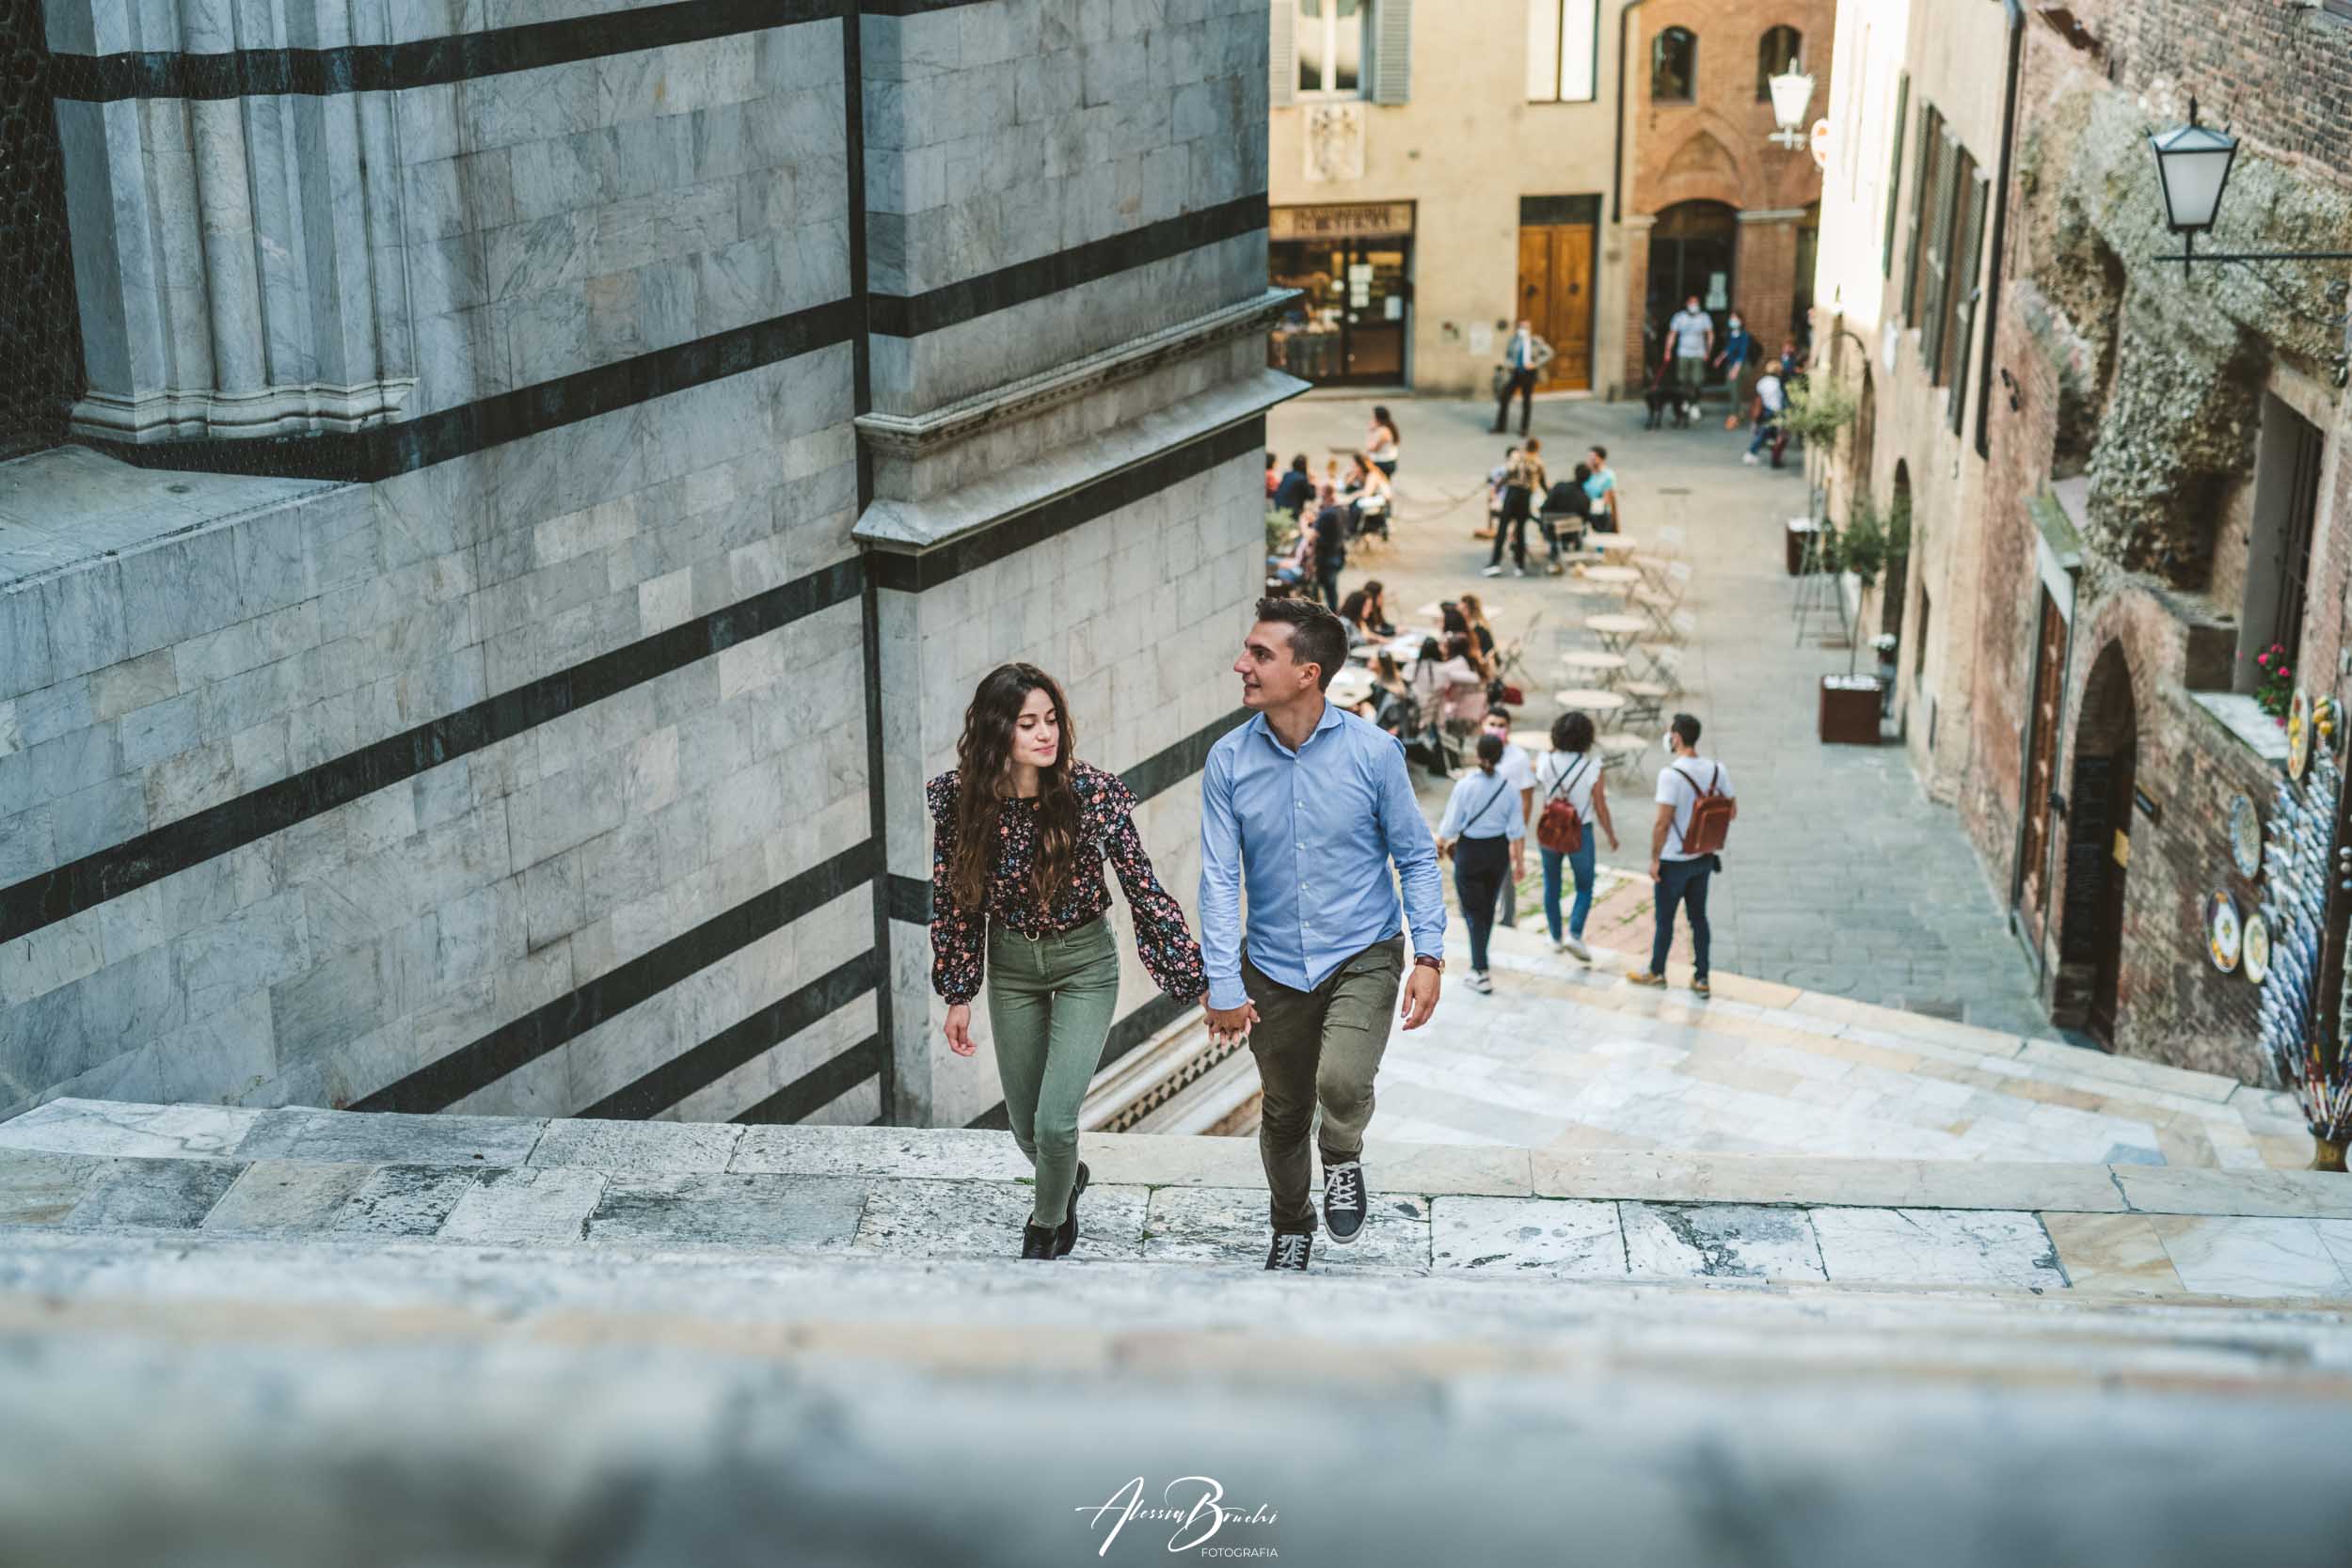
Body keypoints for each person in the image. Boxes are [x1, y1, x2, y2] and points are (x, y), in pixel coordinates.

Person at [1199, 599, 1446, 1272]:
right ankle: (1291, 1222)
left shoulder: (1374, 753)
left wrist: (1429, 954)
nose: (1240, 665)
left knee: (1339, 1084)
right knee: (1282, 1110)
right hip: (1272, 965)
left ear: (1308, 673)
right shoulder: (1226, 761)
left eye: (1259, 655)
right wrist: (1222, 981)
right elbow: (1220, 878)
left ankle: (1342, 1155)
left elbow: (1417, 857)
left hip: (1362, 952)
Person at [930, 665, 1208, 1259]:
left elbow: (1143, 887)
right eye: (1028, 723)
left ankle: (1045, 1229)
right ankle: (1066, 1179)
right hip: (1011, 968)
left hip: (1085, 964)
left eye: (1051, 719)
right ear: (996, 730)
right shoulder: (962, 801)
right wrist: (959, 993)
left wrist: (1198, 978)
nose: (1045, 734)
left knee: (1056, 1124)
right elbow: (955, 898)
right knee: (1026, 1129)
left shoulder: (1092, 794)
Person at [1630, 712, 1738, 997]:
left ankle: (1657, 970)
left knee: (1665, 920)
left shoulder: (1671, 775)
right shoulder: (1717, 770)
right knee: (1698, 919)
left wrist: (1654, 859)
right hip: (1702, 857)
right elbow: (1732, 811)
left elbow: (1662, 823)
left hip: (1674, 860)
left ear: (1675, 737)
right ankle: (1702, 977)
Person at [1437, 732, 1525, 995]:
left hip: (1470, 851)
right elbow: (1517, 829)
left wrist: (1440, 844)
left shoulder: (1465, 786)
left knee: (1472, 911)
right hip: (1497, 851)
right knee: (1486, 908)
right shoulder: (1509, 789)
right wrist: (1519, 861)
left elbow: (1450, 823)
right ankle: (1480, 960)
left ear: (1478, 755)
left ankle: (1479, 969)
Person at [1534, 710, 1618, 961]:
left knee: (1552, 883)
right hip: (1580, 830)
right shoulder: (1592, 766)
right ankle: (1575, 933)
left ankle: (1555, 937)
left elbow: (1543, 790)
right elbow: (1600, 805)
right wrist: (1611, 835)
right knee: (1584, 884)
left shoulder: (1545, 761)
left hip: (1550, 827)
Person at [1477, 707, 1537, 928]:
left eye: (1501, 725)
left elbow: (1527, 799)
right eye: (1492, 724)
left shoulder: (1518, 758)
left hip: (1504, 830)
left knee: (1505, 878)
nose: (1496, 729)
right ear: (1483, 724)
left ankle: (1506, 919)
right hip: (1479, 828)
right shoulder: (1482, 751)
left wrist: (1517, 839)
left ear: (1509, 728)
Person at [1483, 438, 1552, 578]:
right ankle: (1520, 565)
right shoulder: (1538, 462)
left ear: (1525, 446)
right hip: (1525, 497)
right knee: (1520, 531)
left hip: (1512, 495)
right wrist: (1550, 498)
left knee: (1502, 530)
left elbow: (1508, 473)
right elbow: (1543, 484)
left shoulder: (1517, 458)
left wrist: (1497, 487)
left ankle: (1494, 563)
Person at [1493, 319, 1553, 436]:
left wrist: (1535, 364)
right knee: (1504, 398)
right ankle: (1500, 427)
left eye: (1526, 327)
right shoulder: (1513, 341)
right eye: (1521, 327)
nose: (1524, 330)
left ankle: (1524, 429)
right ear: (1517, 328)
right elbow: (1509, 356)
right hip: (1515, 373)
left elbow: (1549, 352)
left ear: (1530, 329)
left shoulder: (1536, 341)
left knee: (1526, 401)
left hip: (1529, 374)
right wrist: (1508, 365)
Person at [1661, 295, 1713, 407]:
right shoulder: (1679, 317)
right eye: (1691, 302)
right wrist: (1668, 351)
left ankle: (1695, 404)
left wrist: (1708, 351)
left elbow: (1710, 334)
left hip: (1699, 353)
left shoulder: (1704, 317)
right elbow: (1672, 334)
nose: (1693, 305)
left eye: (1696, 302)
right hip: (1683, 352)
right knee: (1683, 379)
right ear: (1687, 304)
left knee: (1697, 380)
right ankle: (1685, 401)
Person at [1714, 313, 1760, 429]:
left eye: (1735, 319)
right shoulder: (1731, 335)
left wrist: (1735, 370)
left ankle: (1733, 417)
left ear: (1741, 321)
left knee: (1734, 388)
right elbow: (1728, 349)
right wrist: (1720, 358)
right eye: (1731, 319)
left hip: (1742, 366)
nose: (1733, 321)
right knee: (1732, 388)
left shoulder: (1745, 336)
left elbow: (1742, 354)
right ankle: (1739, 412)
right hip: (1731, 365)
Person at [1746, 360, 1789, 467]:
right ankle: (1752, 453)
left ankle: (1769, 457)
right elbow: (1782, 399)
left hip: (1766, 410)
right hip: (1777, 412)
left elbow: (1759, 397)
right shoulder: (1778, 383)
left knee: (1768, 434)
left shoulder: (1763, 381)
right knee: (1770, 435)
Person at [1309, 495, 1348, 610]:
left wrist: (1303, 523)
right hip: (1337, 555)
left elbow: (1312, 536)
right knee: (1331, 590)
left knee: (1326, 589)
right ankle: (1331, 611)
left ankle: (1328, 613)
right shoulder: (1341, 510)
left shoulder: (1326, 515)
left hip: (1327, 558)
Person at [1583, 446, 1620, 532]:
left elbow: (1607, 499)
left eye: (1593, 458)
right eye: (1590, 458)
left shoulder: (1608, 476)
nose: (1590, 460)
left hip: (1599, 511)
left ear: (1601, 459)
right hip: (1584, 508)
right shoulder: (1586, 473)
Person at [1273, 453, 1314, 518]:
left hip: (1278, 508)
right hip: (1292, 513)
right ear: (1305, 466)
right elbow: (1311, 496)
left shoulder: (1286, 475)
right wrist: (1312, 481)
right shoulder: (1302, 478)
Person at [1366, 406, 1401, 480]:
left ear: (1378, 417)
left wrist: (1370, 432)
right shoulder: (1387, 427)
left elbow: (1372, 448)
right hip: (1387, 461)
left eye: (1373, 416)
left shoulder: (1384, 431)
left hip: (1383, 463)